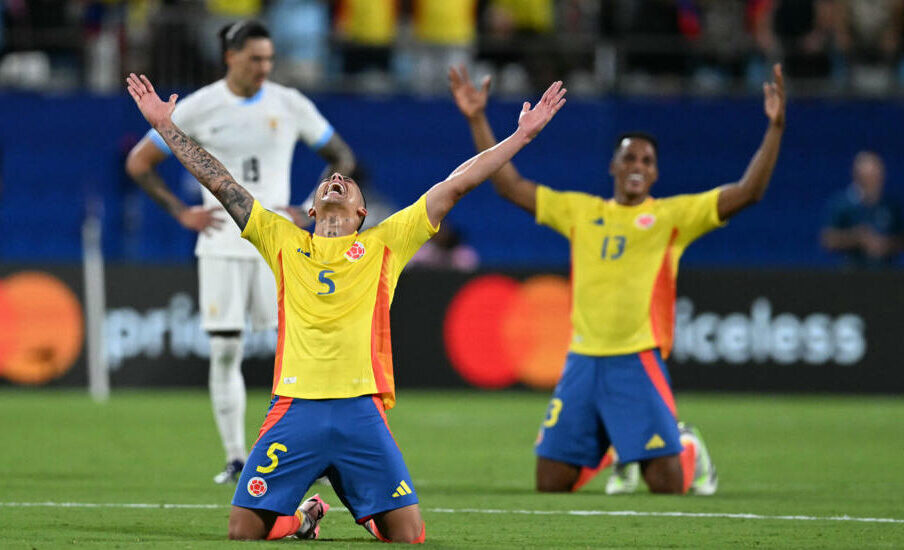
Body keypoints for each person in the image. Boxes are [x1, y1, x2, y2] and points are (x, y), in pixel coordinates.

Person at [126, 72, 566, 541]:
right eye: (330, 181)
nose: (336, 179)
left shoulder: (386, 243)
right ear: (311, 210)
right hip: (295, 406)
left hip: (361, 411)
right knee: (242, 531)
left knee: (409, 537)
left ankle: (362, 500)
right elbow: (219, 181)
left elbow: (456, 184)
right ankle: (304, 517)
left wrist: (521, 136)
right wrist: (166, 127)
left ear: (362, 213)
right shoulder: (281, 239)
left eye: (347, 182)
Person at [449, 63, 786, 495]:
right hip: (582, 360)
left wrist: (775, 128)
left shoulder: (672, 218)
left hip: (636, 359)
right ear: (612, 165)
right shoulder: (581, 211)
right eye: (629, 156)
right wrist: (477, 117)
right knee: (550, 484)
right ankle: (618, 446)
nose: (637, 165)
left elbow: (748, 192)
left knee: (666, 487)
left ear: (655, 174)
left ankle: (686, 446)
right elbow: (509, 186)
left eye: (647, 160)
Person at [124, 20, 356, 485]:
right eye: (255, 59)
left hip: (280, 246)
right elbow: (139, 162)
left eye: (269, 59)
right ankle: (235, 457)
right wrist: (180, 212)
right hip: (222, 244)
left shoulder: (289, 103)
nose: (264, 68)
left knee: (294, 350)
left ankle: (303, 452)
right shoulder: (200, 105)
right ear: (231, 57)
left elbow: (342, 157)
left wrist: (312, 203)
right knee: (226, 349)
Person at [821, 151, 902, 267]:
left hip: (886, 274)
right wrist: (858, 237)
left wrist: (885, 244)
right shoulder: (842, 204)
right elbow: (828, 239)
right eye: (868, 177)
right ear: (857, 176)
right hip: (852, 274)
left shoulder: (891, 205)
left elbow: (900, 238)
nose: (874, 181)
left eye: (877, 176)